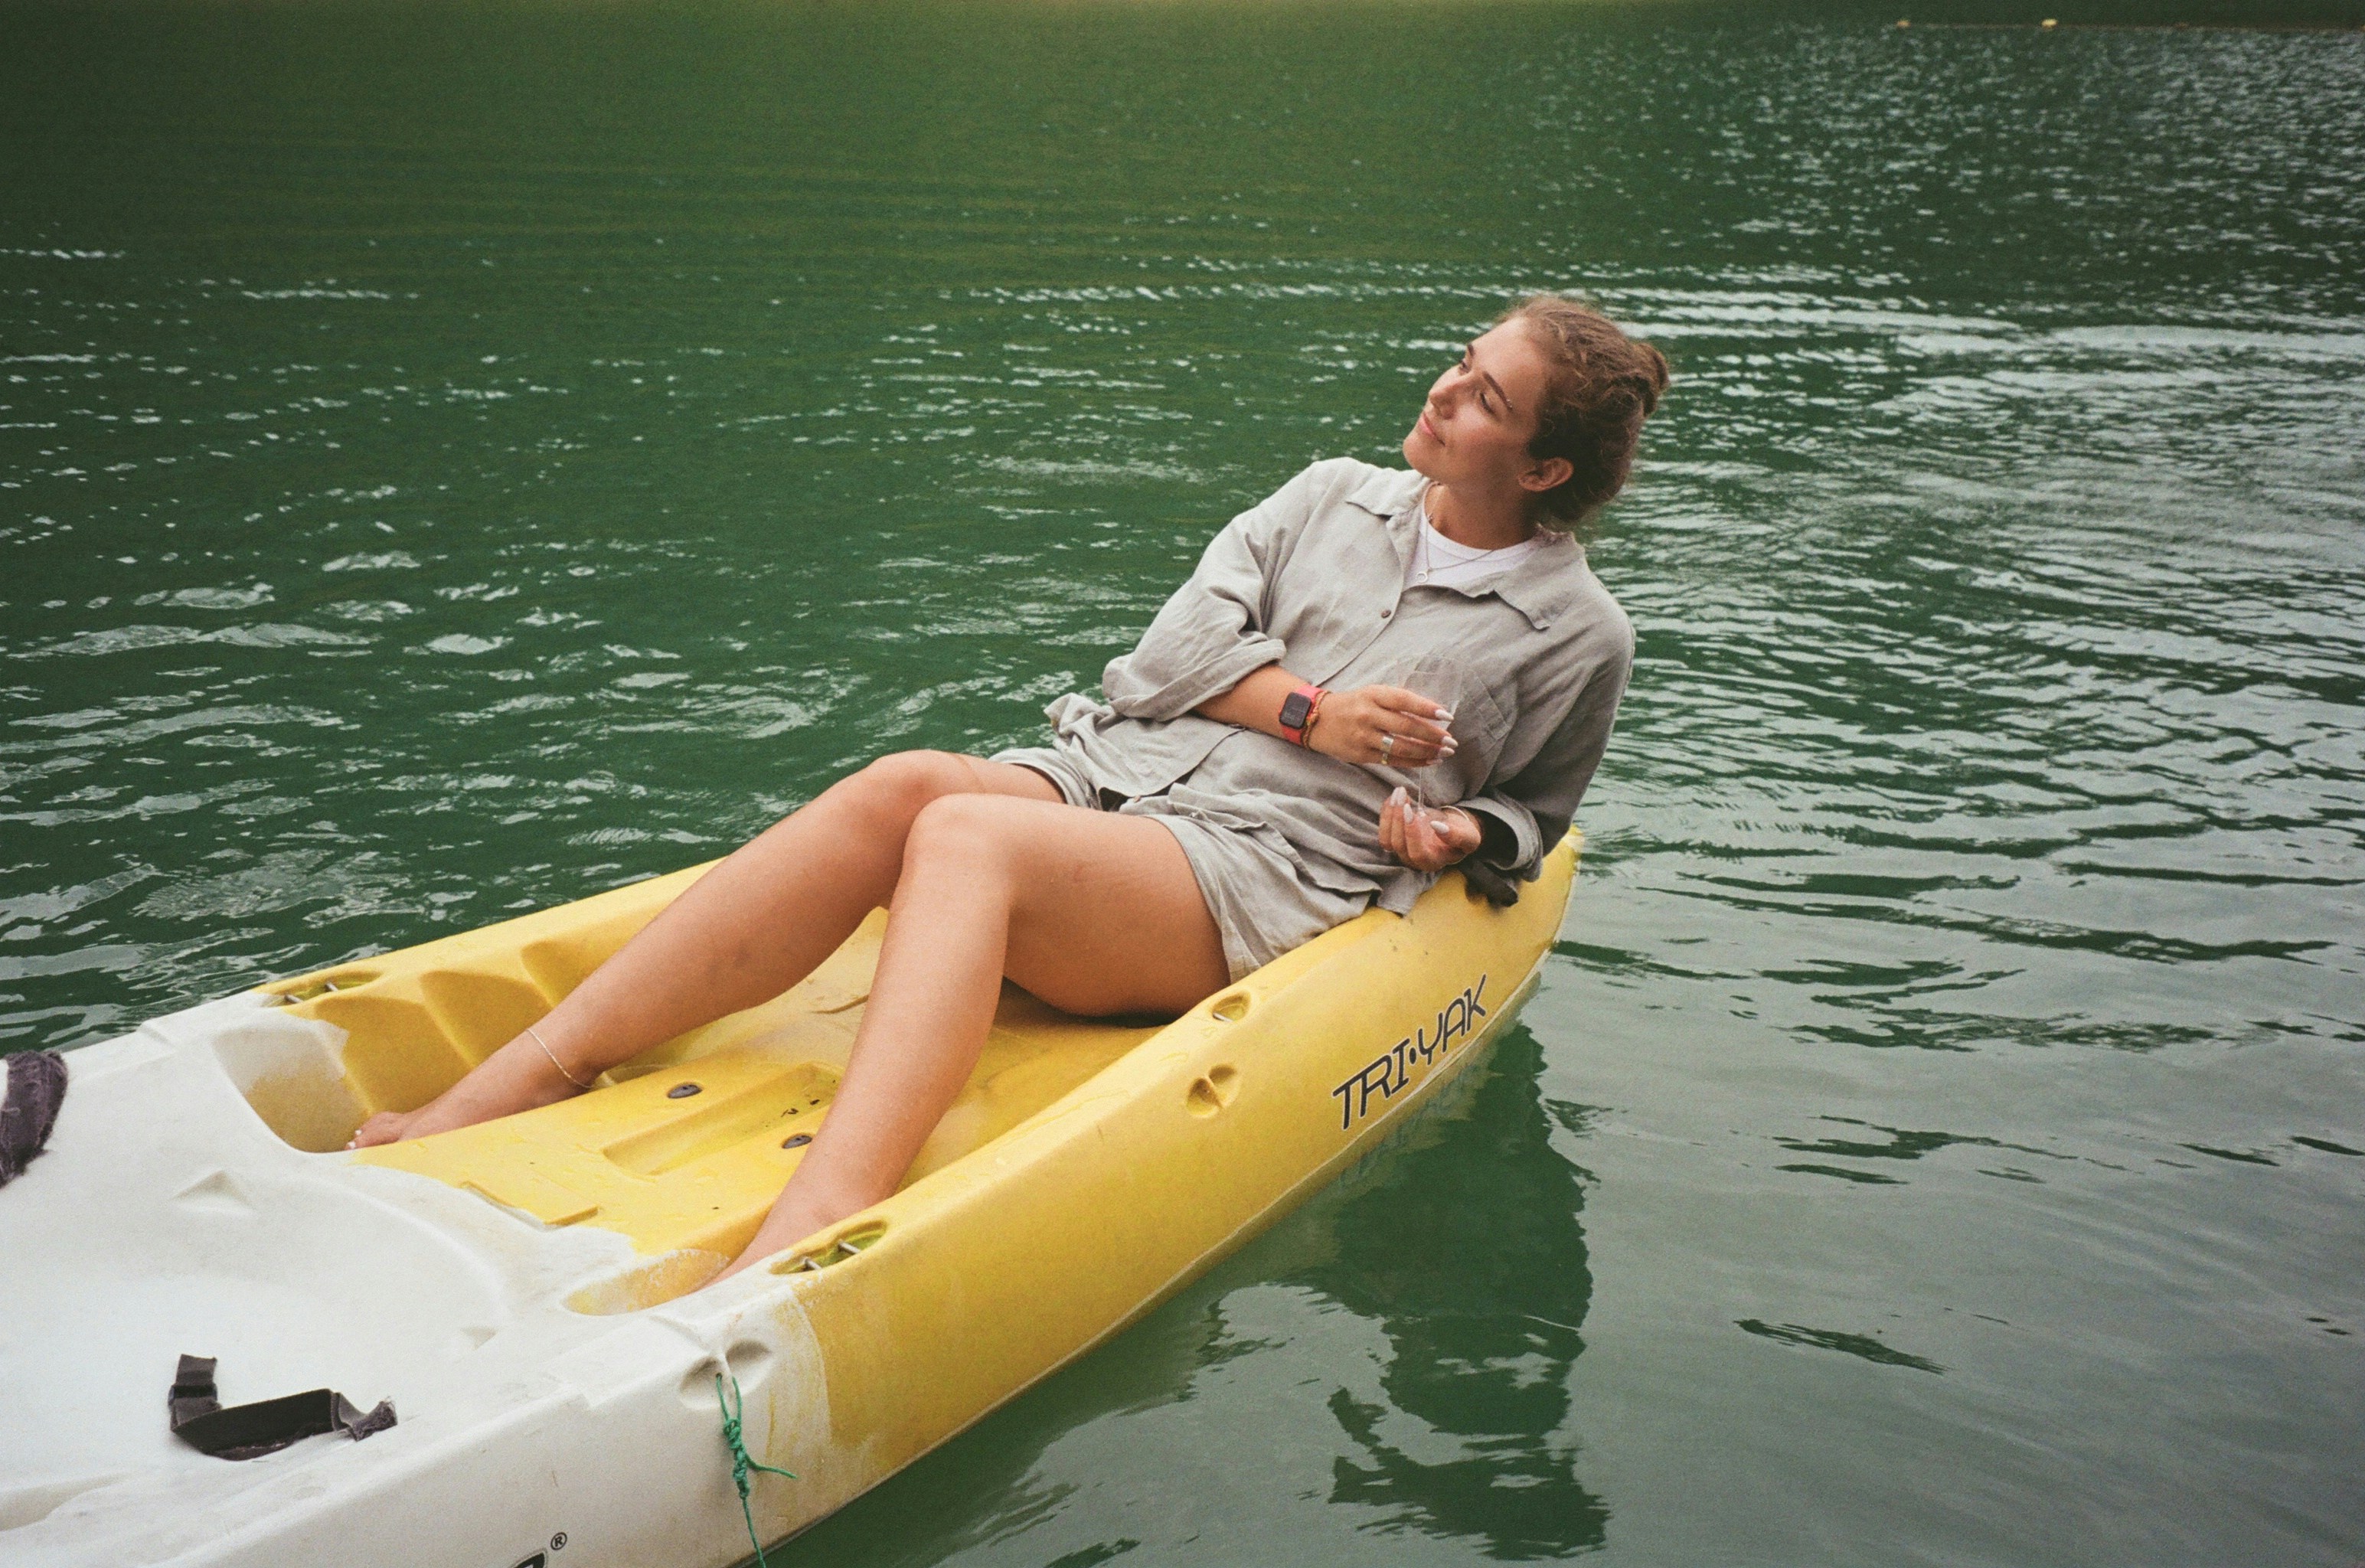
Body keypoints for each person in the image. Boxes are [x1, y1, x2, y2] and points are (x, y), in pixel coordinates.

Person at [351, 294, 1668, 1287]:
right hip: (1116, 774)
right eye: (1460, 362)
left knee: (968, 836)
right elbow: (1159, 666)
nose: (1442, 391)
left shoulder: (1576, 632)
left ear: (1543, 467)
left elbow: (1534, 817)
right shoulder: (1330, 494)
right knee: (905, 784)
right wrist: (1314, 713)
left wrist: (1449, 830)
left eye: (1485, 397)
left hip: (1248, 874)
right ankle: (527, 1073)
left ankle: (819, 1221)